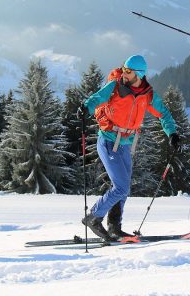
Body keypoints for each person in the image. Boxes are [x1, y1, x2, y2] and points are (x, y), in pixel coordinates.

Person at [77, 54, 180, 240]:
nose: (124, 73)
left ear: (138, 74)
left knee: (123, 188)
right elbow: (97, 98)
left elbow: (163, 114)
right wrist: (86, 108)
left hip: (125, 145)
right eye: (124, 68)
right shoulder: (115, 86)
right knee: (121, 187)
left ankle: (114, 227)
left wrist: (172, 133)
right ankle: (93, 217)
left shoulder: (147, 95)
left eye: (128, 70)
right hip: (108, 141)